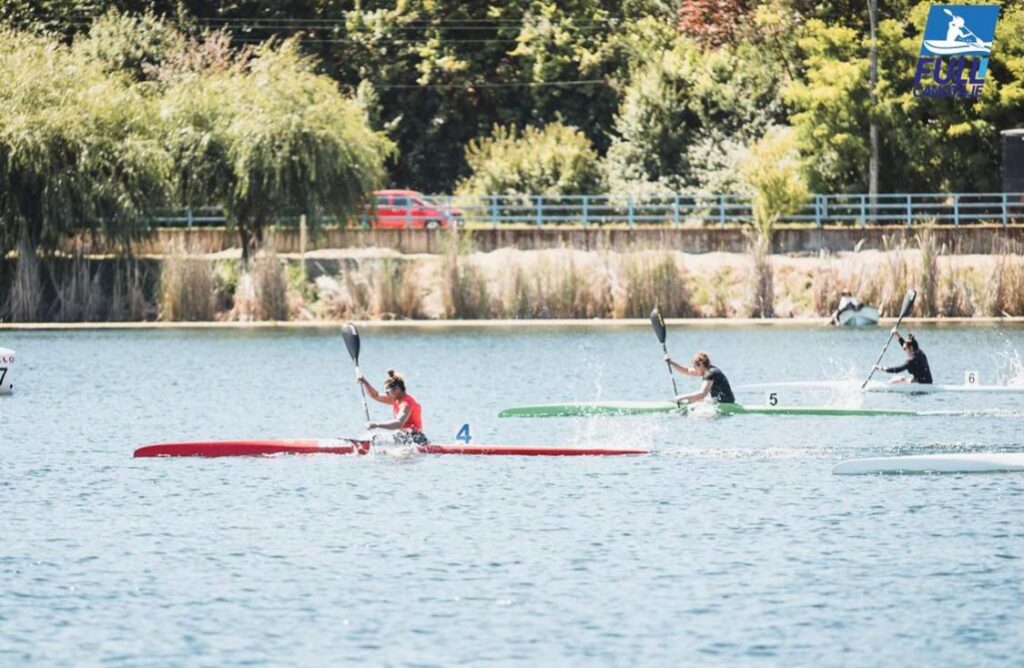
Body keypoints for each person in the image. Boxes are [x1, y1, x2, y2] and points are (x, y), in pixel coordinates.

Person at [357, 369, 429, 444]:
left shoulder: (406, 404)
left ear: (397, 389)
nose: (387, 394)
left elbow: (398, 423)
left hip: (416, 438)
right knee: (377, 438)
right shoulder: (396, 399)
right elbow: (375, 395)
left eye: (387, 392)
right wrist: (364, 381)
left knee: (378, 439)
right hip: (406, 437)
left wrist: (376, 425)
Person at [663, 351, 736, 404]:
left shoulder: (710, 373)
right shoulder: (706, 369)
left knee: (698, 411)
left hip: (726, 403)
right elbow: (686, 371)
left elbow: (702, 394)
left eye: (695, 367)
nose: (694, 369)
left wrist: (680, 397)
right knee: (696, 401)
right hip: (720, 400)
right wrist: (671, 362)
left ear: (701, 365)